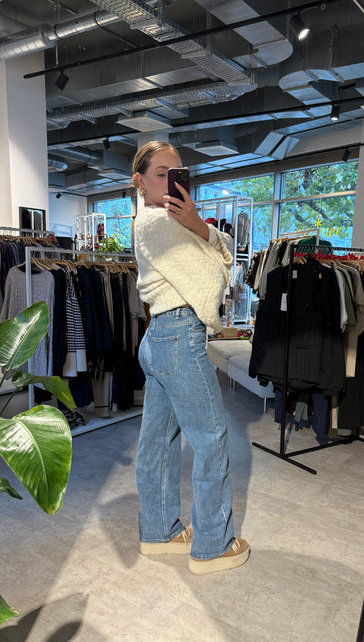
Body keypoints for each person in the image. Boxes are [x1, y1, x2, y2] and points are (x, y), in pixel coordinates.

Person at [132, 140, 250, 575]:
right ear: (141, 181)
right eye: (161, 174)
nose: (171, 183)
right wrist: (206, 239)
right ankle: (213, 546)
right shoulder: (156, 223)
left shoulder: (167, 221)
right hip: (180, 335)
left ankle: (159, 532)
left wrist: (199, 226)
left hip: (161, 336)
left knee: (158, 441)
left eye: (178, 174)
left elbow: (226, 246)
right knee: (210, 439)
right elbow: (214, 276)